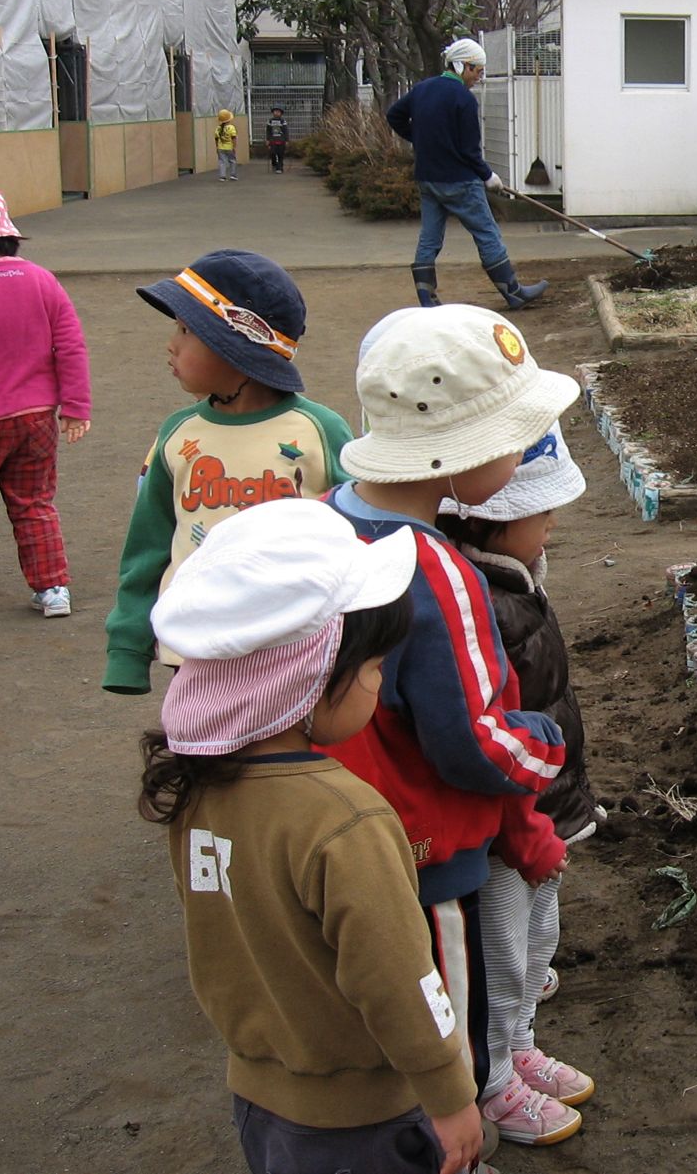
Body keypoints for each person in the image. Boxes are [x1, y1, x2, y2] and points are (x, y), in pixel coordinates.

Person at [138, 498, 483, 1174]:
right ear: (309, 673)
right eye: (374, 667)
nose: (380, 683)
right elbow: (396, 975)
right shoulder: (344, 818)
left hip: (261, 1099)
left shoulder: (195, 791)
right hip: (365, 1120)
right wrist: (449, 1092)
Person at [322, 303, 582, 1147]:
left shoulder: (331, 517)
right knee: (448, 1012)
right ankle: (461, 1127)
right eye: (513, 439)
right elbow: (472, 737)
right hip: (429, 848)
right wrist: (545, 746)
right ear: (465, 450)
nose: (518, 462)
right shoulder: (437, 569)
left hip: (349, 821)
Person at [437, 422, 601, 1126]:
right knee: (500, 951)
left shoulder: (516, 580)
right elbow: (492, 733)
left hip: (544, 807)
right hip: (510, 823)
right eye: (542, 514)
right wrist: (525, 824)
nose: (553, 524)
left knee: (539, 936)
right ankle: (494, 1076)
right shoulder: (483, 607)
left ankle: (522, 1040)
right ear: (496, 521)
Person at [103, 249, 354, 695]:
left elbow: (359, 537)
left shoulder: (319, 430)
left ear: (233, 347)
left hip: (294, 644)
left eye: (185, 330)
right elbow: (148, 545)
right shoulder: (179, 434)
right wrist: (128, 648)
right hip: (194, 644)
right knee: (199, 754)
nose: (171, 344)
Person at [0, 182, 90, 618]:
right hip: (36, 418)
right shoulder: (41, 279)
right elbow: (70, 345)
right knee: (34, 504)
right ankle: (52, 589)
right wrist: (77, 407)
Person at [386, 38, 546, 312]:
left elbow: (394, 115)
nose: (478, 78)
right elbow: (470, 151)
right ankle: (514, 292)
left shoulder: (422, 89)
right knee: (487, 233)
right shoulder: (463, 98)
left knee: (430, 237)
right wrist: (488, 176)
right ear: (463, 66)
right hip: (460, 180)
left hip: (428, 178)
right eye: (478, 71)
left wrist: (420, 139)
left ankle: (427, 298)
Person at [215, 109, 240, 182]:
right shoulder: (231, 127)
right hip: (229, 147)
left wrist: (217, 147)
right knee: (232, 161)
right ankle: (233, 175)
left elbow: (216, 138)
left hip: (220, 147)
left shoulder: (218, 128)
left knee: (222, 162)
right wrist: (234, 147)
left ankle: (222, 176)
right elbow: (234, 138)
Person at [264, 106, 289, 173]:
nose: (276, 113)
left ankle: (280, 168)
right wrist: (267, 139)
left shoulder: (283, 121)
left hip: (281, 140)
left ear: (281, 113)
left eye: (278, 111)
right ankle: (274, 164)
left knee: (280, 154)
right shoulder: (270, 121)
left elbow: (285, 131)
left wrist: (286, 140)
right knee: (273, 153)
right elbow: (268, 131)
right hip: (273, 140)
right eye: (275, 111)